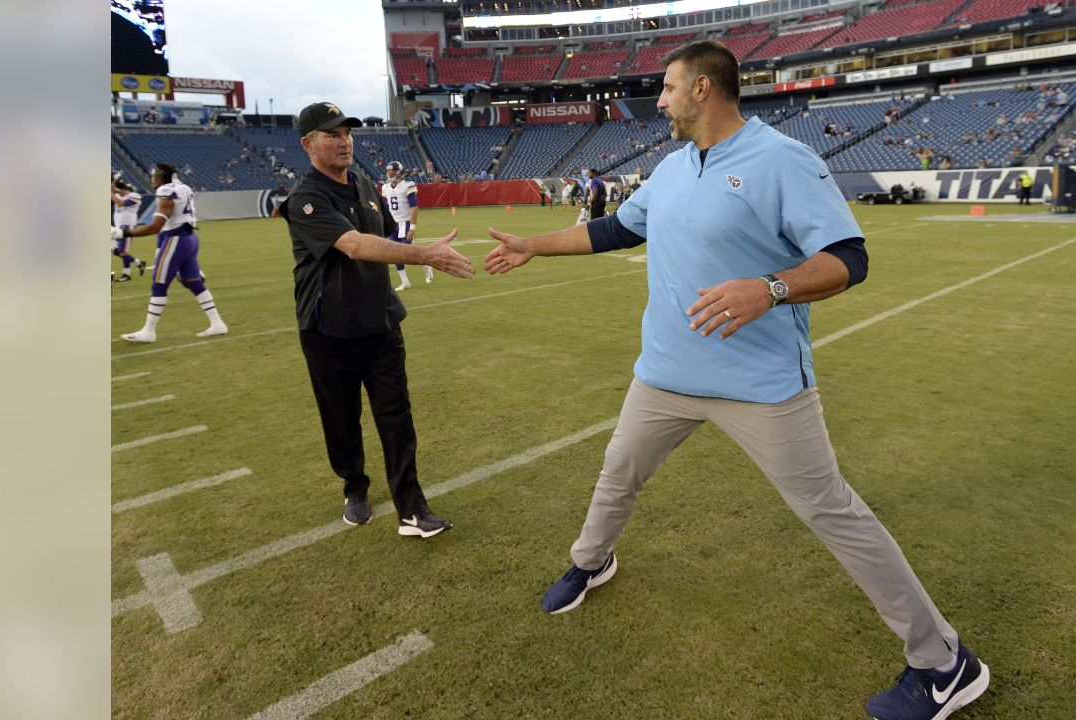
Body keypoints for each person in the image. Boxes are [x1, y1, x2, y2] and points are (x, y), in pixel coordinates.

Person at [483, 41, 987, 720]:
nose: (657, 101)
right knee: (618, 471)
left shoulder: (782, 159)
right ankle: (591, 561)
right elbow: (615, 232)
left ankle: (944, 663)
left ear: (702, 90)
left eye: (666, 87)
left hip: (761, 384)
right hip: (663, 374)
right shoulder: (667, 167)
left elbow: (849, 258)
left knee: (832, 511)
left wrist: (771, 288)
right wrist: (532, 245)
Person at [279, 101, 473, 534]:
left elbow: (383, 236)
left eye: (347, 132)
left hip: (381, 322)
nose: (344, 141)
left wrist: (420, 243)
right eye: (333, 134)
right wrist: (424, 255)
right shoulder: (306, 198)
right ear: (308, 144)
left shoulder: (366, 183)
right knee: (342, 418)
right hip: (328, 328)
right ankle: (355, 487)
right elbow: (355, 245)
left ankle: (412, 507)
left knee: (396, 415)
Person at [114, 163, 228, 342]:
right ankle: (217, 323)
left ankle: (149, 331)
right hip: (190, 238)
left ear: (162, 175)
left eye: (154, 175)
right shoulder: (184, 188)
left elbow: (155, 227)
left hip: (175, 239)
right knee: (193, 283)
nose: (152, 179)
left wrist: (123, 233)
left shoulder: (166, 191)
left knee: (159, 284)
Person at [379, 160, 432, 290]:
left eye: (393, 171)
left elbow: (414, 207)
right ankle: (405, 281)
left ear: (400, 172)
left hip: (405, 223)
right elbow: (386, 208)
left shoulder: (407, 186)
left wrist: (412, 228)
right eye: (389, 171)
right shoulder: (385, 188)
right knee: (394, 253)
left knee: (407, 253)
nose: (390, 174)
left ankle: (426, 264)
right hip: (393, 224)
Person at [110, 178, 147, 282]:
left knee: (123, 251)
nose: (117, 192)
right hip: (117, 227)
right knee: (116, 251)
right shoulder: (117, 195)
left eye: (119, 190)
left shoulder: (134, 196)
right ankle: (138, 262)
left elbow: (121, 203)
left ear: (126, 189)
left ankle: (126, 274)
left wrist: (111, 192)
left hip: (127, 227)